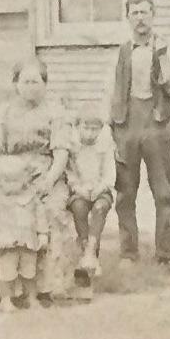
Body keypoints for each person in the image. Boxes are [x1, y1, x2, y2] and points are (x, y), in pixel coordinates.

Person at [108, 0, 170, 279]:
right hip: (127, 125)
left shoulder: (168, 48)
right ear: (128, 18)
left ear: (153, 14)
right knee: (125, 193)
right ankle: (128, 252)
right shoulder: (121, 51)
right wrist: (113, 128)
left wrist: (165, 62)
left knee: (164, 193)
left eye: (145, 12)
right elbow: (112, 92)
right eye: (134, 13)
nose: (140, 18)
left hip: (157, 124)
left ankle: (167, 254)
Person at [0, 57, 79, 305]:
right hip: (8, 175)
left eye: (36, 81)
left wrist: (48, 181)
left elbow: (61, 152)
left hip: (45, 173)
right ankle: (4, 285)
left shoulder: (55, 112)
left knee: (49, 211)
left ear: (45, 84)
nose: (31, 87)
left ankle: (47, 285)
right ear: (15, 84)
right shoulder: (2, 112)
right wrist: (4, 179)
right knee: (0, 211)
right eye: (25, 81)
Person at [0, 155, 46, 312]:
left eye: (14, 181)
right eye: (4, 181)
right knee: (6, 275)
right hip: (6, 244)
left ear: (24, 180)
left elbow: (40, 217)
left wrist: (43, 234)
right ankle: (5, 300)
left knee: (29, 274)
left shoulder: (31, 199)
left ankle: (32, 299)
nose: (8, 185)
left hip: (28, 242)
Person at [65, 102, 116, 285]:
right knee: (79, 208)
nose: (90, 133)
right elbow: (69, 172)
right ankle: (86, 252)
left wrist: (99, 188)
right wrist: (78, 187)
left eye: (95, 129)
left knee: (100, 208)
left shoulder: (105, 146)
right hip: (79, 190)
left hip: (99, 190)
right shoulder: (72, 147)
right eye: (86, 128)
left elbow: (110, 174)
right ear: (78, 126)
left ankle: (90, 251)